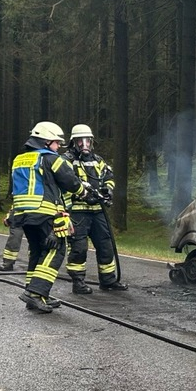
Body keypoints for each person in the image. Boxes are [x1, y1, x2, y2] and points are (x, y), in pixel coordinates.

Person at [9, 121, 91, 313]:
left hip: (23, 214)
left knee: (37, 251)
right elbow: (69, 180)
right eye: (56, 143)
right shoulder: (50, 158)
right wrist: (85, 193)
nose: (58, 148)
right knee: (56, 249)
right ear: (46, 142)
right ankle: (36, 294)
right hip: (43, 211)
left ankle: (35, 294)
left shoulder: (19, 159)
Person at [62, 124, 126, 293]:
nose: (84, 145)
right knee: (78, 247)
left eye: (87, 141)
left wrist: (108, 189)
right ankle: (78, 282)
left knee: (106, 245)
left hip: (98, 211)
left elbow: (109, 176)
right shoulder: (66, 161)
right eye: (80, 142)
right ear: (73, 143)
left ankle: (108, 280)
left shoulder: (98, 160)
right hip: (77, 212)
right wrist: (82, 194)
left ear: (92, 142)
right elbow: (66, 183)